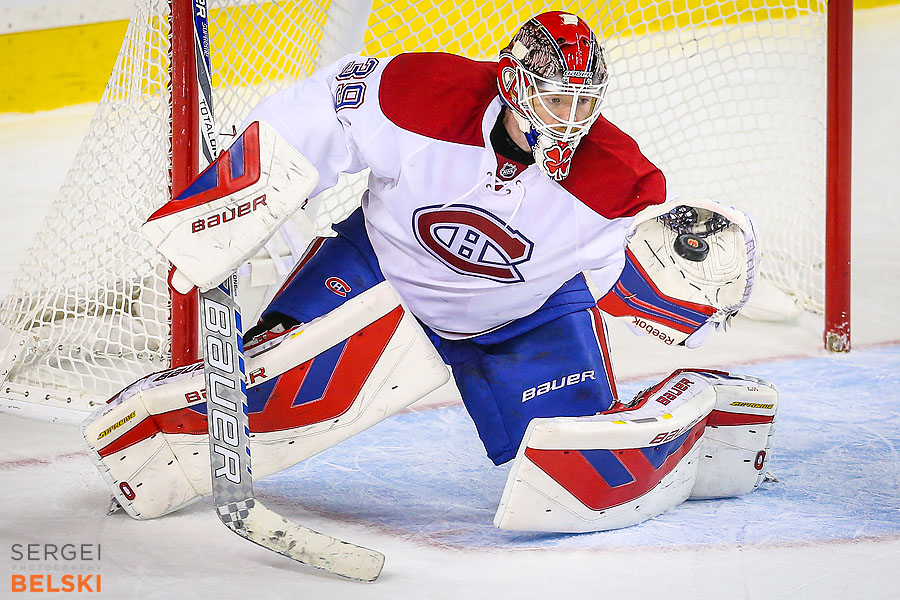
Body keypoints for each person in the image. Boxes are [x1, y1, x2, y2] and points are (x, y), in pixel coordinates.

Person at [84, 11, 774, 531]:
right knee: (262, 389)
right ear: (511, 84)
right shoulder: (419, 94)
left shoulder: (617, 181)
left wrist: (684, 291)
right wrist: (231, 204)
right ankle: (156, 435)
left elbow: (623, 279)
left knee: (578, 475)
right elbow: (314, 113)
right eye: (555, 99)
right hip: (383, 270)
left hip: (522, 318)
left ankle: (708, 414)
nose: (571, 120)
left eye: (584, 102)